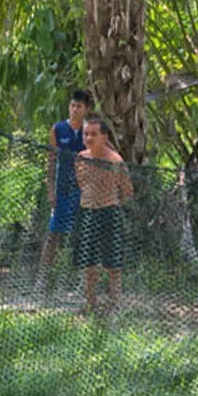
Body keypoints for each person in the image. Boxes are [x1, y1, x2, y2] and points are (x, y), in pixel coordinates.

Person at [73, 115, 134, 316]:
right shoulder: (80, 158)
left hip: (109, 213)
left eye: (94, 134)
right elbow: (81, 185)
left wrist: (110, 203)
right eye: (86, 134)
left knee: (113, 264)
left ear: (104, 136)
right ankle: (91, 304)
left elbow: (127, 191)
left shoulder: (115, 161)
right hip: (87, 213)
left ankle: (115, 305)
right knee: (88, 264)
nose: (89, 138)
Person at [38, 90, 92, 285]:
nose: (74, 110)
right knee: (54, 234)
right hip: (62, 190)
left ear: (87, 109)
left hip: (84, 190)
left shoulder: (90, 131)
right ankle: (42, 280)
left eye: (79, 106)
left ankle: (80, 281)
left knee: (82, 234)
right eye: (72, 106)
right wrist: (51, 189)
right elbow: (51, 161)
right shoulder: (58, 129)